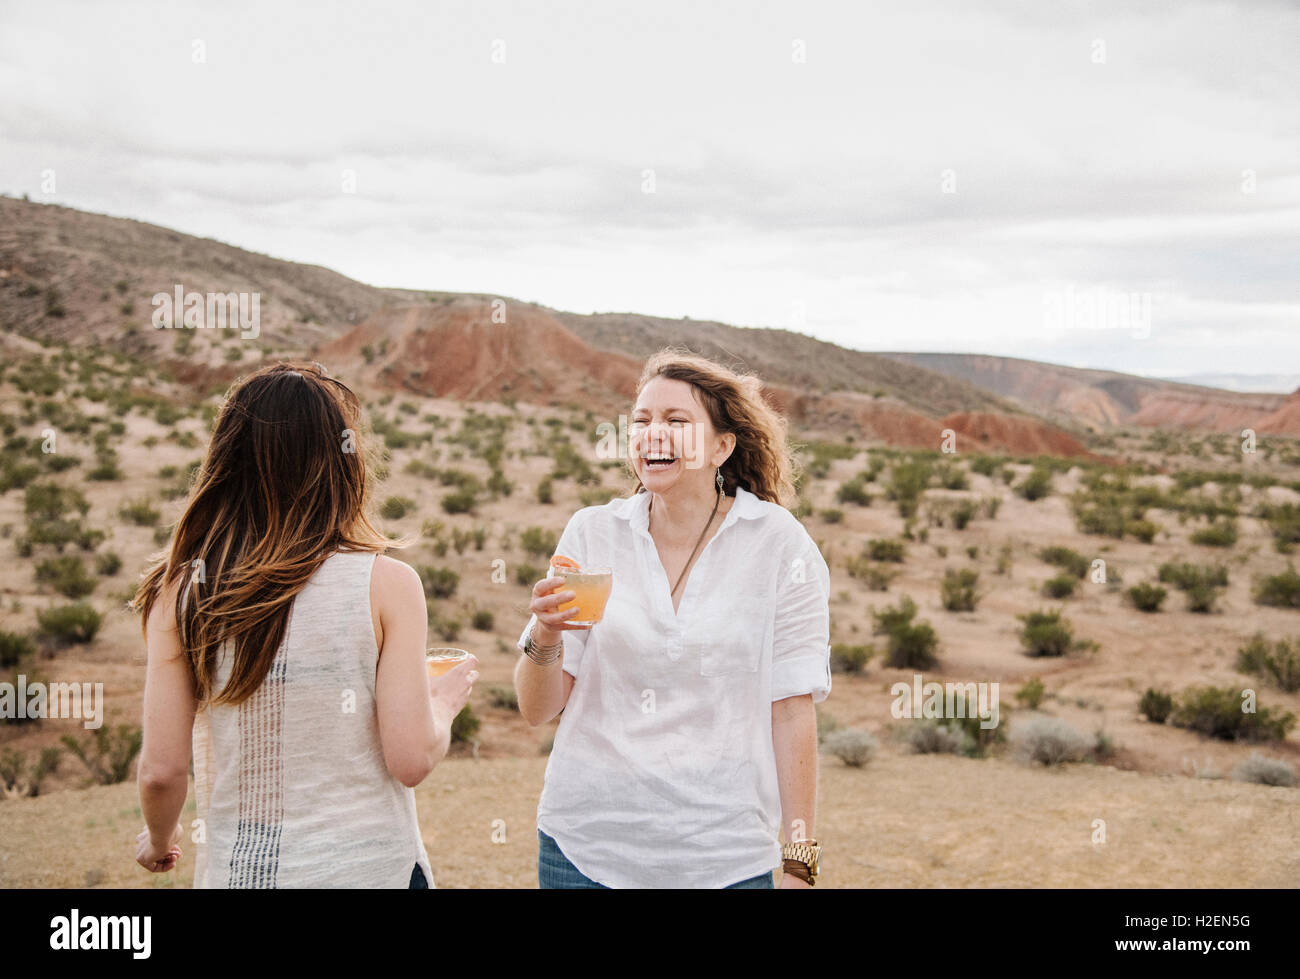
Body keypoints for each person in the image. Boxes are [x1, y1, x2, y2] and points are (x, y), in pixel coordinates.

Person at [131, 362, 477, 888]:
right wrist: (444, 704)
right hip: (370, 872)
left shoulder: (181, 592)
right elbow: (410, 759)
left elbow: (160, 771)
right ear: (343, 462)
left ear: (226, 461)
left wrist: (160, 840)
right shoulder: (387, 584)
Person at [514, 348, 831, 888]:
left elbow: (792, 710)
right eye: (640, 421)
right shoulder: (593, 533)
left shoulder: (779, 545)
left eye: (676, 421)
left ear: (721, 447)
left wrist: (800, 860)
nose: (650, 433)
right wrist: (546, 633)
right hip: (583, 851)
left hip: (724, 858)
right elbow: (537, 708)